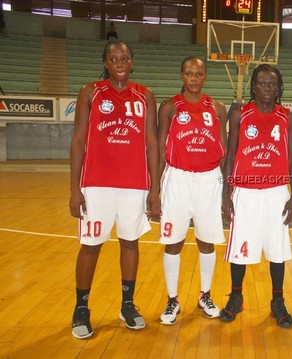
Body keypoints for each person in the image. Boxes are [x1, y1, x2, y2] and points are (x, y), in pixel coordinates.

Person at [69, 39, 160, 339]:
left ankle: (127, 304)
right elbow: (79, 141)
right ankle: (81, 308)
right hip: (96, 184)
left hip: (134, 185)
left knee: (130, 243)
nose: (119, 63)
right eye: (113, 59)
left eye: (124, 58)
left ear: (132, 62)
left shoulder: (145, 95)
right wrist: (75, 189)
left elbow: (151, 143)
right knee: (91, 245)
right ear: (105, 63)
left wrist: (154, 189)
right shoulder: (90, 92)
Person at [220, 64, 292, 328]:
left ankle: (277, 301)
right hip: (245, 191)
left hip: (277, 192)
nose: (268, 88)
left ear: (279, 88)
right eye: (263, 83)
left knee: (277, 250)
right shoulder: (240, 115)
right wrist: (225, 192)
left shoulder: (288, 116)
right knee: (240, 251)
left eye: (273, 84)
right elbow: (230, 155)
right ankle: (236, 297)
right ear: (253, 86)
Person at [157, 56, 227, 324]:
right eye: (189, 73)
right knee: (173, 241)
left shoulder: (217, 108)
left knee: (206, 240)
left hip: (209, 178)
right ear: (181, 76)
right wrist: (155, 190)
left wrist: (224, 190)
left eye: (198, 74)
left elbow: (223, 151)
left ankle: (205, 294)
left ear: (205, 76)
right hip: (177, 178)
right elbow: (161, 151)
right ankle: (172, 299)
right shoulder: (169, 107)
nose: (194, 78)